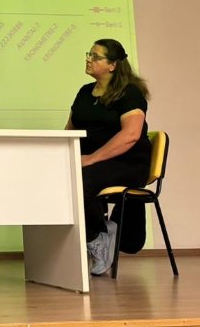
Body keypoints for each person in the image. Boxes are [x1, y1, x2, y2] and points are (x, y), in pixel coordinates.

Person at [65, 38, 151, 276]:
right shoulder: (84, 92)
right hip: (93, 163)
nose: (88, 59)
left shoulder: (129, 93)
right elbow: (70, 131)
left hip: (127, 163)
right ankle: (96, 234)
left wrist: (91, 158)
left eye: (96, 56)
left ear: (113, 65)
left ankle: (97, 238)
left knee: (80, 179)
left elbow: (131, 135)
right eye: (89, 54)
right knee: (57, 177)